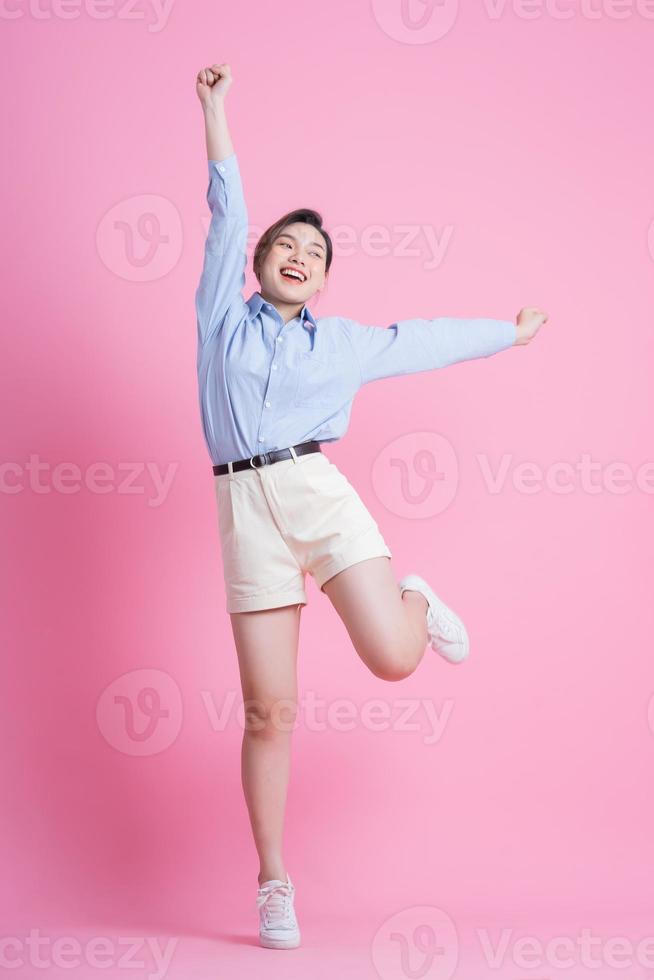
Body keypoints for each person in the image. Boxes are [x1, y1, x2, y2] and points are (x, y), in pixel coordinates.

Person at [194, 62, 548, 950]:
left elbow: (422, 340)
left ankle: (415, 599)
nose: (300, 256)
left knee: (394, 657)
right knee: (269, 711)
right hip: (244, 511)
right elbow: (225, 214)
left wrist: (509, 334)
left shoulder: (344, 346)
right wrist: (217, 110)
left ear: (323, 280)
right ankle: (274, 882)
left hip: (318, 494)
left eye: (316, 255)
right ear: (262, 257)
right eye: (288, 244)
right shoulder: (219, 322)